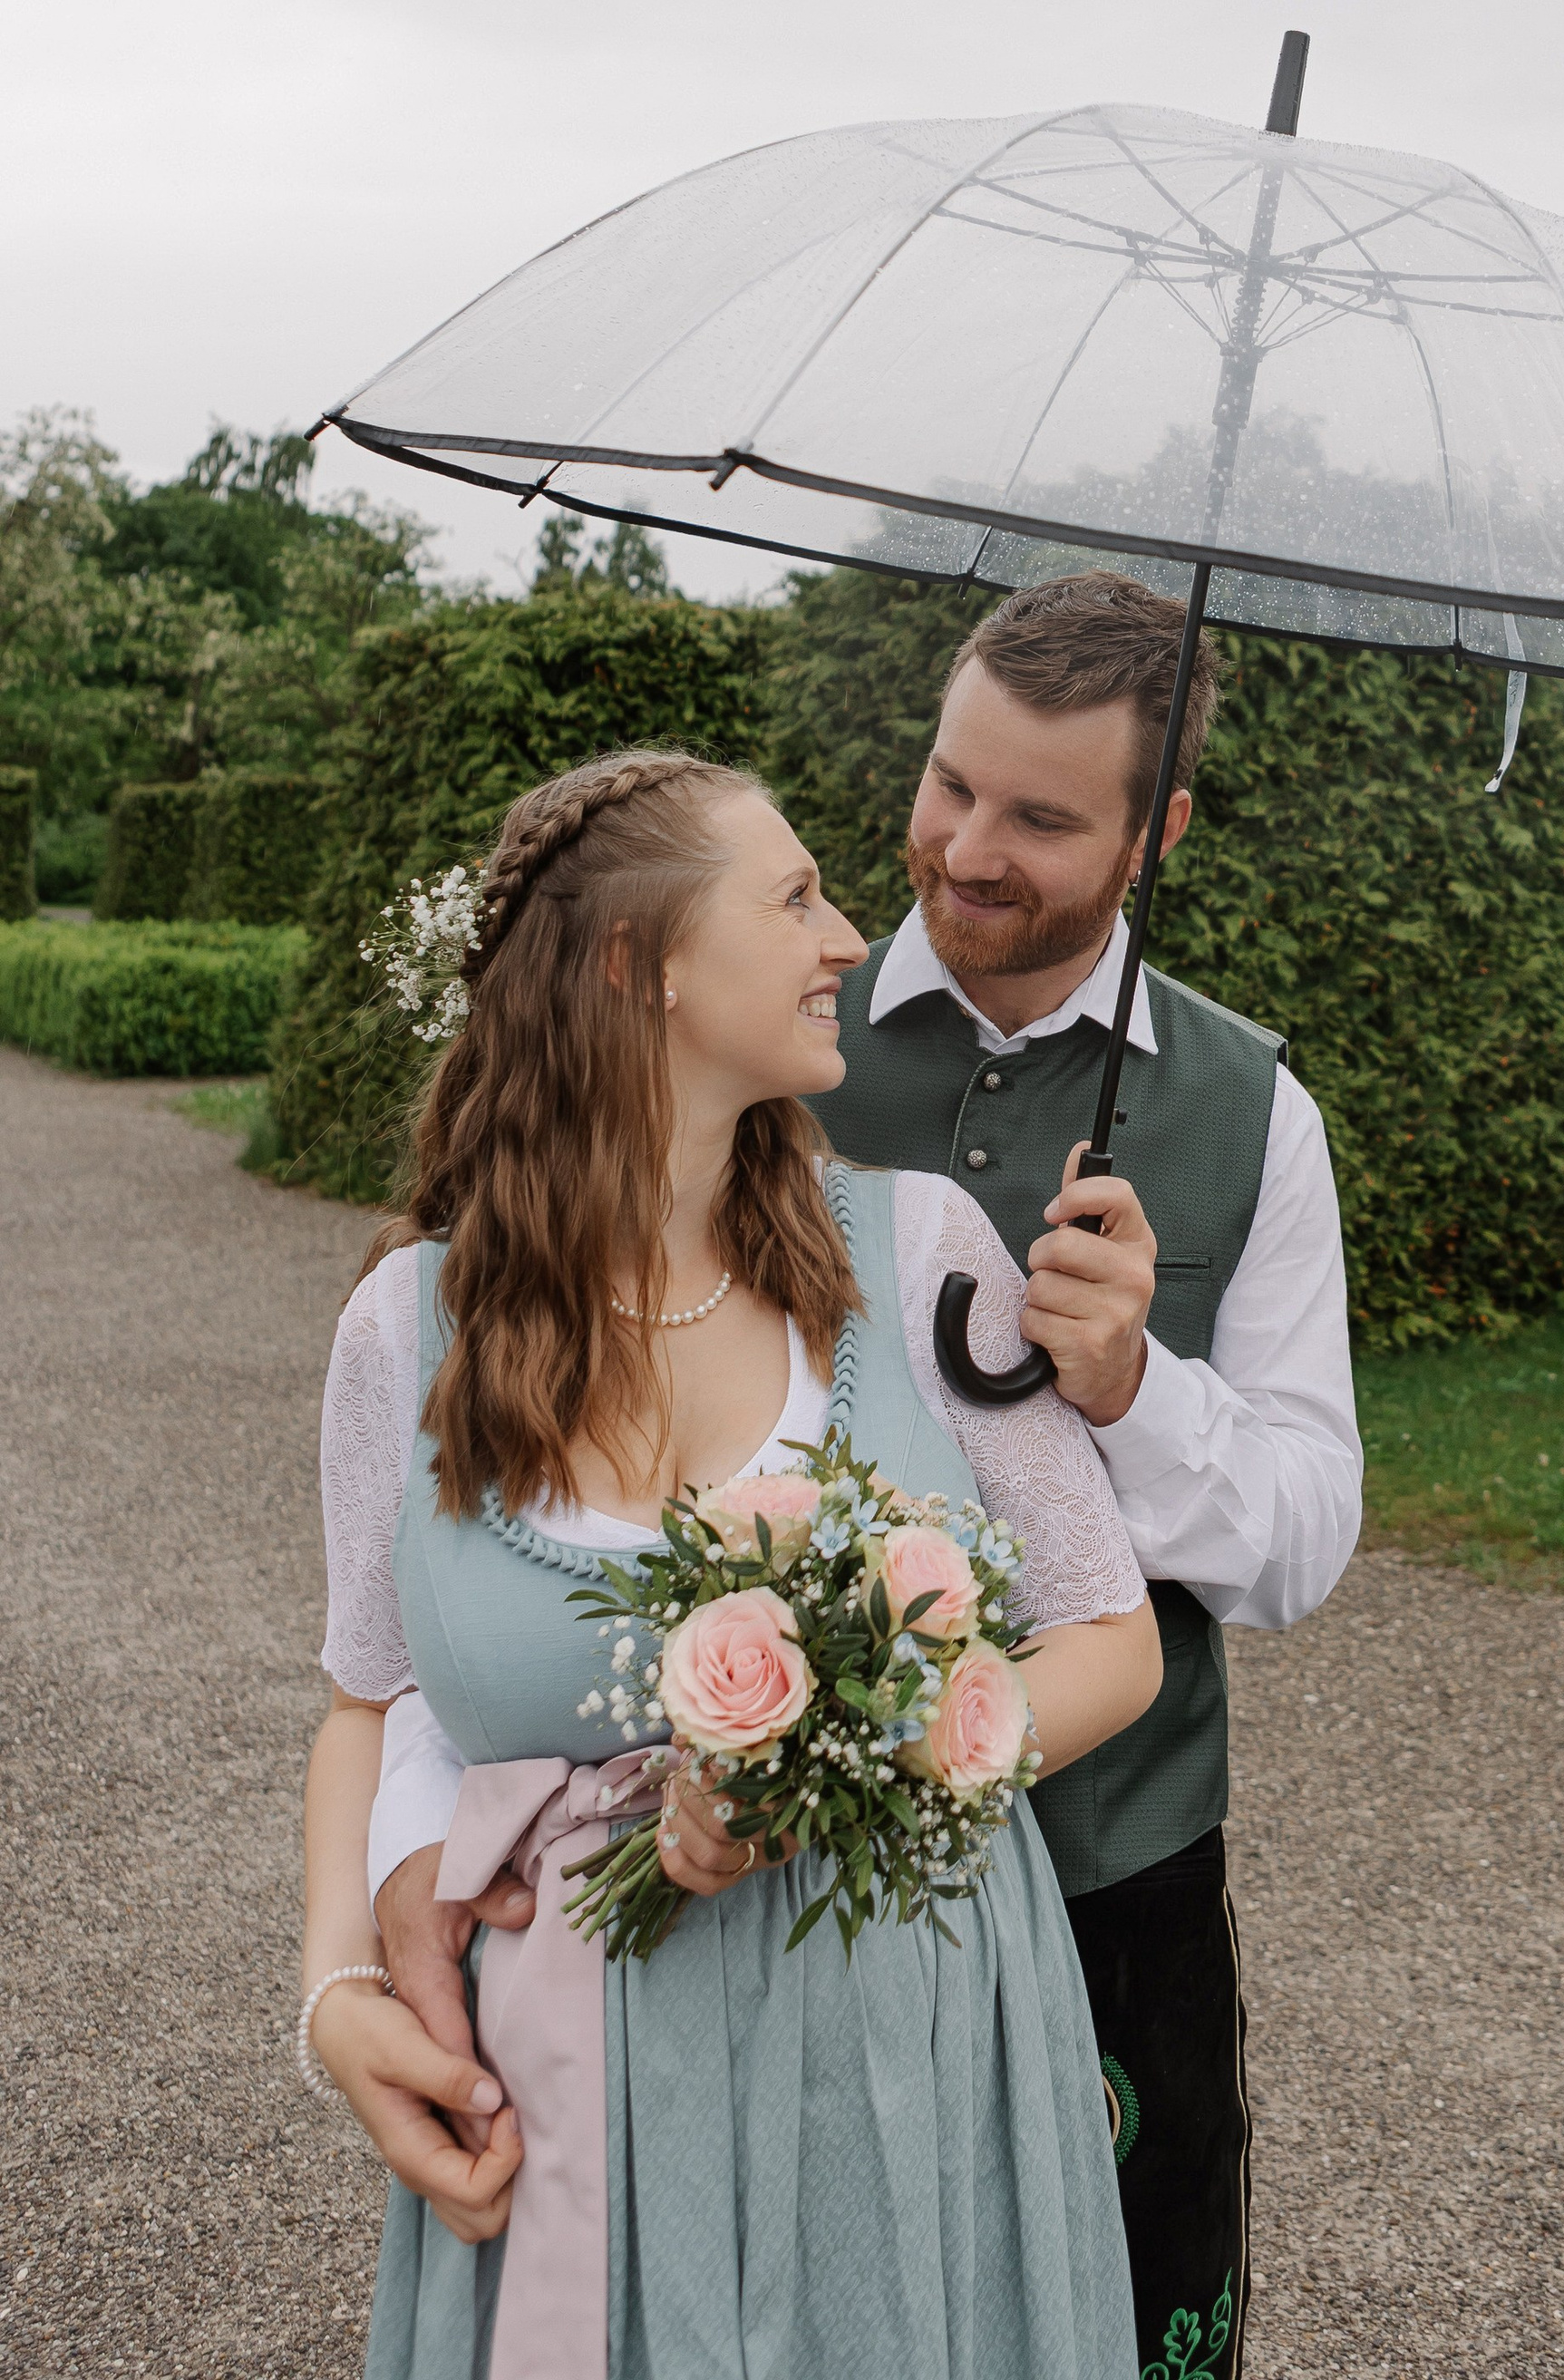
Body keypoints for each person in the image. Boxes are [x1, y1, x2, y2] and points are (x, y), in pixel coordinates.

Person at [303, 749, 1160, 2379]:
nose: (850, 938)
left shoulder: (919, 1251)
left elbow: (1114, 1638)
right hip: (571, 2083)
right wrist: (339, 1988)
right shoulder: (405, 1330)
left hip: (907, 2044)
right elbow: (370, 1694)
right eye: (794, 898)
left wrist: (851, 1756)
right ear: (647, 964)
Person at [827, 569, 1363, 2380]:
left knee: (1125, 2330)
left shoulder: (1253, 1112)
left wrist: (1134, 1391)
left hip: (1111, 1869)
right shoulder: (766, 1036)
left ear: (1160, 833)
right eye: (949, 781)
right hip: (779, 1861)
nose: (966, 848)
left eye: (1042, 819)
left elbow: (1301, 1538)